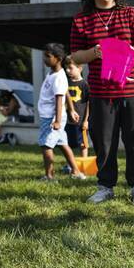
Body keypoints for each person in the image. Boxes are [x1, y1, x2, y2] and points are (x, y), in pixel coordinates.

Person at [70, 0, 134, 204]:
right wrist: (95, 52)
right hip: (101, 92)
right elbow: (75, 56)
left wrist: (130, 53)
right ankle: (105, 186)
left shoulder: (130, 13)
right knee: (104, 142)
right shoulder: (81, 20)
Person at [37, 43, 86, 181]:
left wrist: (58, 120)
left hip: (52, 118)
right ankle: (76, 172)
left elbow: (60, 99)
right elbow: (65, 92)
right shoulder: (53, 73)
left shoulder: (58, 76)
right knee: (63, 144)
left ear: (58, 58)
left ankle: (49, 176)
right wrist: (70, 109)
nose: (44, 59)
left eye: (47, 56)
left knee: (46, 145)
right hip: (53, 117)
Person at [63, 55, 90, 167]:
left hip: (81, 121)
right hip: (67, 120)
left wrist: (86, 120)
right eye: (66, 68)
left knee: (83, 144)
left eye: (70, 68)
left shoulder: (85, 84)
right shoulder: (65, 83)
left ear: (80, 68)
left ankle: (84, 164)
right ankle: (71, 164)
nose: (67, 70)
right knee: (67, 143)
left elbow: (89, 103)